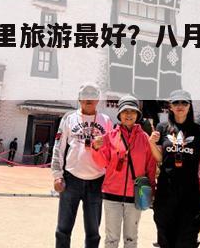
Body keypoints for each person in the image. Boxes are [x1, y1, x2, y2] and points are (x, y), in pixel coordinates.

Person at [52, 82, 113, 248]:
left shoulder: (106, 120)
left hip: (97, 181)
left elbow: (112, 150)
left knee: (93, 232)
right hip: (71, 179)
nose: (89, 99)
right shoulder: (69, 118)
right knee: (63, 229)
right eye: (85, 95)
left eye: (93, 95)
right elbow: (58, 147)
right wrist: (57, 175)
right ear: (79, 99)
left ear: (98, 99)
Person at [91, 95, 156, 248]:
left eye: (132, 111)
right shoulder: (109, 137)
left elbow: (150, 166)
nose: (129, 115)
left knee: (131, 238)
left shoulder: (145, 138)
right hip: (111, 195)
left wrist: (152, 189)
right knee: (111, 239)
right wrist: (96, 148)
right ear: (119, 114)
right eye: (125, 111)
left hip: (136, 196)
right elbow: (102, 162)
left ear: (138, 115)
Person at [151, 89, 200, 248]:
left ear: (190, 106)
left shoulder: (199, 130)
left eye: (184, 102)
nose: (180, 106)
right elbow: (159, 159)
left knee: (187, 240)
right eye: (176, 102)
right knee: (165, 238)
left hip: (190, 192)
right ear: (170, 106)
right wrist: (151, 143)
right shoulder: (162, 127)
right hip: (166, 191)